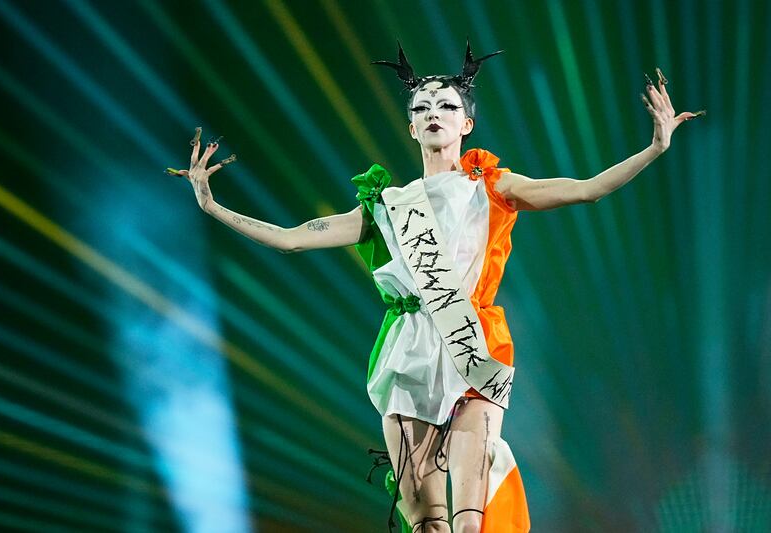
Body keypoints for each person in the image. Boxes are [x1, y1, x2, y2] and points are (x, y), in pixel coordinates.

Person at [167, 40, 704, 533]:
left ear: (467, 123)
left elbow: (585, 190)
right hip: (409, 355)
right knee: (430, 525)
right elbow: (290, 240)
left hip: (474, 346)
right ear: (410, 127)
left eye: (446, 106)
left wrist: (655, 148)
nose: (433, 114)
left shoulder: (492, 186)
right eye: (421, 108)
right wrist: (211, 206)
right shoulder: (385, 205)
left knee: (470, 524)